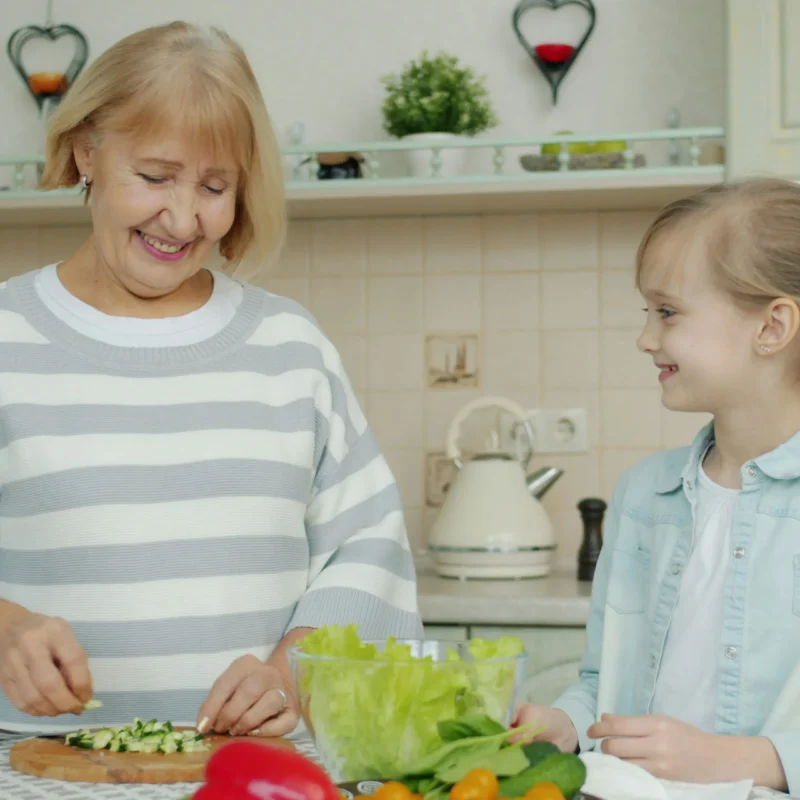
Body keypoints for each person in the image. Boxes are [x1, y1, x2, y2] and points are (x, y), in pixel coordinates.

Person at [0, 21, 421, 739]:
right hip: (29, 765)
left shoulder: (290, 348)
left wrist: (292, 670)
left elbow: (369, 551)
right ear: (86, 151)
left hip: (250, 769)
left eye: (215, 186)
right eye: (156, 176)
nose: (183, 216)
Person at [514, 178, 800, 794]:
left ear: (772, 327)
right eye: (647, 312)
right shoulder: (646, 495)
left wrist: (744, 760)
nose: (646, 338)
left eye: (667, 312)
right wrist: (565, 721)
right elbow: (603, 681)